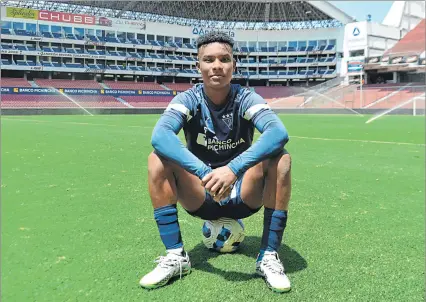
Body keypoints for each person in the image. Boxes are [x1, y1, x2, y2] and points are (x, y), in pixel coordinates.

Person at [139, 31, 292, 293]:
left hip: (244, 192)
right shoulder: (188, 99)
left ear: (234, 65)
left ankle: (268, 255)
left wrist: (233, 169)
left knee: (281, 159)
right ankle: (176, 256)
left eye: (224, 59)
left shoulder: (245, 98)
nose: (217, 66)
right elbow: (160, 136)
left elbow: (278, 133)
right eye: (209, 60)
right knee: (157, 160)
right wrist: (204, 172)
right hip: (201, 192)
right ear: (198, 66)